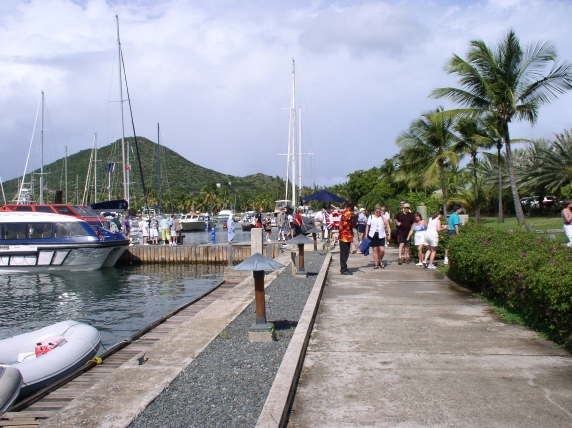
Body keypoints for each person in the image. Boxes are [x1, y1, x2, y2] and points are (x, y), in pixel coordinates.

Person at [365, 205, 391, 269]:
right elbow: (368, 226)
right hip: (373, 235)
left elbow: (387, 224)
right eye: (377, 211)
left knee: (382, 250)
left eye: (379, 211)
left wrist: (382, 215)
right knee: (375, 250)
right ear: (375, 211)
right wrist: (366, 235)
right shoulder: (371, 217)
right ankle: (376, 264)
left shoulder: (382, 217)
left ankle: (380, 260)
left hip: (381, 235)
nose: (378, 213)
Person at [339, 201, 355, 275]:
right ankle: (343, 269)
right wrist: (356, 215)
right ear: (352, 206)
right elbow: (348, 218)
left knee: (345, 253)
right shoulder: (347, 213)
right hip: (345, 236)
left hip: (345, 236)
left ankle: (344, 268)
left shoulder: (345, 212)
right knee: (344, 253)